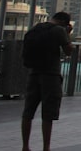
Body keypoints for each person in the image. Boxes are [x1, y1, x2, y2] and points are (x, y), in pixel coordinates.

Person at [21, 10, 74, 151]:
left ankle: (25, 146)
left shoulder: (36, 28)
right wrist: (68, 34)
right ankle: (46, 147)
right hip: (50, 75)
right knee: (48, 113)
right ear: (64, 22)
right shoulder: (59, 31)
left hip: (33, 73)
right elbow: (68, 50)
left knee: (28, 112)